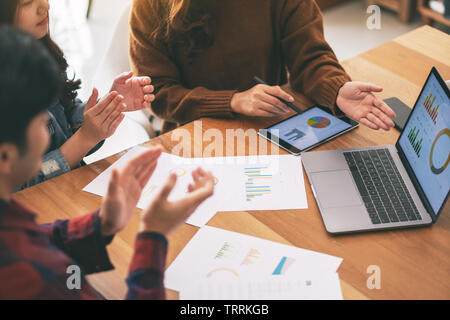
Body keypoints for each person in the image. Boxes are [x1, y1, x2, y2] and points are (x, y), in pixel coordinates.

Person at [0, 26, 214, 299]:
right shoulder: (33, 277)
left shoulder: (12, 223)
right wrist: (153, 236)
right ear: (6, 155)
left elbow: (35, 236)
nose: (49, 126)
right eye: (42, 122)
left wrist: (102, 224)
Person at [129, 0, 397, 134]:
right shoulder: (150, 6)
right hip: (194, 136)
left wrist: (337, 89)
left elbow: (310, 56)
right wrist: (232, 101)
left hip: (270, 127)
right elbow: (159, 93)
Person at [0, 0, 156, 190]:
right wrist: (84, 139)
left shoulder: (39, 56)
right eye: (27, 2)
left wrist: (108, 106)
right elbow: (19, 186)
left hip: (70, 190)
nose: (45, 6)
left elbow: (67, 120)